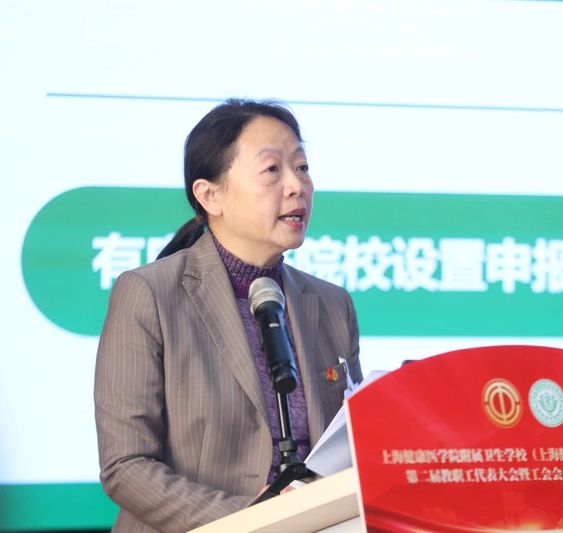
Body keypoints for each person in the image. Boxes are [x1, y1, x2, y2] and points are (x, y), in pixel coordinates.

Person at [94, 99, 363, 532]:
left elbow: (349, 448)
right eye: (272, 170)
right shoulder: (150, 295)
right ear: (210, 195)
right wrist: (251, 518)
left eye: (302, 167)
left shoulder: (333, 305)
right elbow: (125, 466)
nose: (296, 186)